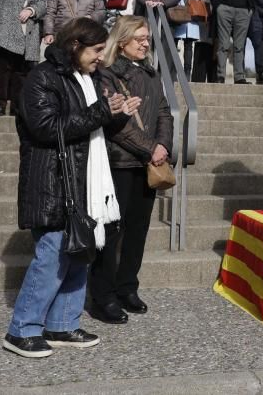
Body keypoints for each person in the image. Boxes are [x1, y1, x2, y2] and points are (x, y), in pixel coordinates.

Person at [3, 17, 136, 359]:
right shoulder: (42, 78)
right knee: (53, 256)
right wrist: (102, 110)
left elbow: (91, 128)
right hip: (52, 180)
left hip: (82, 181)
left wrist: (115, 113)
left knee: (80, 253)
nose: (100, 58)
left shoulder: (84, 78)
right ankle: (22, 330)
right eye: (95, 51)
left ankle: (62, 324)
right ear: (75, 46)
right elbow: (48, 129)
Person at [89, 16, 173, 324]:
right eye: (139, 38)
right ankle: (103, 295)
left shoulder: (150, 73)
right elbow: (116, 125)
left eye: (147, 38)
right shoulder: (108, 74)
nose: (145, 43)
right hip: (120, 162)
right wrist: (150, 148)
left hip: (148, 164)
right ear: (122, 40)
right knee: (112, 232)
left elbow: (164, 111)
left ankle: (127, 287)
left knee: (138, 231)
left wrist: (163, 146)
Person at [173, 0, 204, 80]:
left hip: (191, 14)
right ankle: (172, 73)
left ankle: (186, 76)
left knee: (189, 45)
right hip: (177, 12)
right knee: (173, 44)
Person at [192, 0, 219, 83]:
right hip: (203, 23)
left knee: (213, 53)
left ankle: (213, 80)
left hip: (213, 24)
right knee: (201, 54)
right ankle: (198, 80)